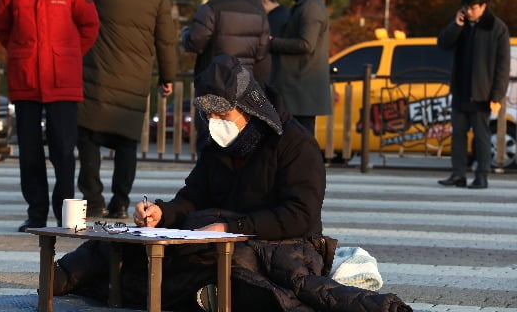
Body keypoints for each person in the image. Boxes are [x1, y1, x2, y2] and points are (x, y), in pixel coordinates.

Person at [52, 55, 412, 312]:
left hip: (279, 243)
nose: (215, 122)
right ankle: (60, 278)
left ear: (249, 107)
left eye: (223, 115)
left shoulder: (294, 143)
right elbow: (194, 194)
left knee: (227, 264)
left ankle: (178, 293)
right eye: (210, 115)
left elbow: (300, 215)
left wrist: (232, 227)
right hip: (214, 235)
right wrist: (162, 212)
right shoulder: (217, 144)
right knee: (126, 241)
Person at [0, 0, 99, 232]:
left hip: (62, 80)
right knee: (29, 151)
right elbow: (2, 30)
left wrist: (66, 54)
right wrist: (22, 53)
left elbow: (89, 26)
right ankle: (36, 213)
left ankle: (65, 212)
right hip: (25, 80)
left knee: (64, 150)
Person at [73, 0, 177, 219]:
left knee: (88, 141)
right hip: (134, 83)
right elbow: (166, 41)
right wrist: (168, 77)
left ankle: (93, 200)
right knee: (127, 145)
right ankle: (120, 202)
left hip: (95, 76)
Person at [181, 0, 270, 150]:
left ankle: (209, 180)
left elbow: (195, 42)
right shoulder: (258, 14)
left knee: (209, 141)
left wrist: (185, 34)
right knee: (240, 142)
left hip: (213, 83)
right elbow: (261, 52)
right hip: (245, 86)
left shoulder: (210, 9)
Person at [437, 0, 510, 189]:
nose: (469, 12)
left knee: (482, 137)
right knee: (458, 135)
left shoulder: (497, 28)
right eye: (465, 7)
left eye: (473, 8)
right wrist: (456, 25)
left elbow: (503, 66)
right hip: (461, 90)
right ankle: (458, 174)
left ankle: (481, 176)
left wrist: (496, 95)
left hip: (483, 92)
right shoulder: (462, 25)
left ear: (483, 6)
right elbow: (442, 43)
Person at [269, 0, 332, 135]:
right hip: (299, 91)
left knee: (300, 143)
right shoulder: (306, 4)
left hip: (301, 91)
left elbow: (306, 44)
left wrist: (272, 43)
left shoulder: (309, 7)